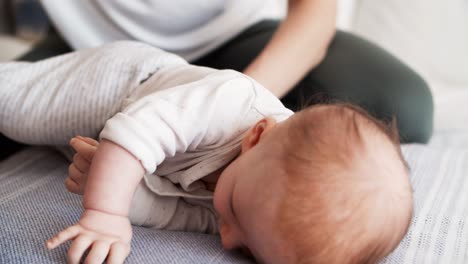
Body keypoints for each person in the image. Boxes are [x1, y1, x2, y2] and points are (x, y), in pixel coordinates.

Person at [1, 42, 412, 264]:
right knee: (15, 108)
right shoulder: (231, 102)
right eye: (231, 210)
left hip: (119, 146)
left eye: (249, 252)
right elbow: (139, 129)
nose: (226, 237)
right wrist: (107, 213)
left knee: (45, 139)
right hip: (119, 87)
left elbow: (179, 212)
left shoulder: (257, 204)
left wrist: (127, 196)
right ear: (256, 136)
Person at [0, 0, 433, 161]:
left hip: (240, 37)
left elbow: (314, 12)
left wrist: (227, 103)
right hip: (96, 51)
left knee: (400, 106)